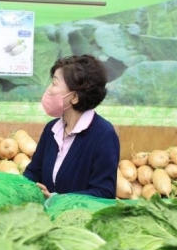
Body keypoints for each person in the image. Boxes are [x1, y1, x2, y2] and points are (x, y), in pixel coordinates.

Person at [23, 54, 119, 199]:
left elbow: (103, 192)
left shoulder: (104, 135)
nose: (49, 90)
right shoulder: (51, 130)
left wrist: (57, 199)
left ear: (74, 97)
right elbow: (33, 173)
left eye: (54, 83)